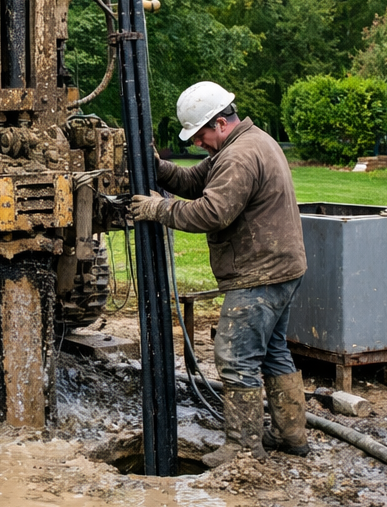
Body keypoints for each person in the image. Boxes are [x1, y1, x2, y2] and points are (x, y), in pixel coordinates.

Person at [128, 81, 309, 468]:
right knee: (274, 353)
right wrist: (156, 168)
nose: (198, 144)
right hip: (282, 267)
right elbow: (195, 182)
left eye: (200, 135)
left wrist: (157, 209)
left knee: (236, 358)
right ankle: (290, 434)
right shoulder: (248, 141)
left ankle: (243, 448)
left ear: (220, 123)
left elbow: (212, 212)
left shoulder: (239, 156)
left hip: (259, 273)